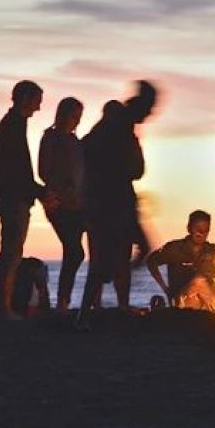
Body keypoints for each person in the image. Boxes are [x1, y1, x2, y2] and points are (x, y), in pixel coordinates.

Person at [77, 82, 158, 327]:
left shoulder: (108, 129)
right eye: (150, 109)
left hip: (111, 201)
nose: (151, 115)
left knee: (125, 252)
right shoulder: (120, 128)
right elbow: (135, 169)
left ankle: (103, 304)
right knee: (113, 256)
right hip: (111, 202)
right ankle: (87, 312)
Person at [0, 80, 52, 320]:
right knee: (12, 253)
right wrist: (40, 192)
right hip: (13, 198)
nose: (38, 108)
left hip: (12, 196)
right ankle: (3, 308)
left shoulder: (14, 124)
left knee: (10, 252)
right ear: (25, 98)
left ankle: (0, 304)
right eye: (37, 101)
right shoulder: (12, 126)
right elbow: (18, 170)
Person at [39, 96, 85, 312]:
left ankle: (65, 301)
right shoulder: (51, 138)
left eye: (78, 117)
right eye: (73, 116)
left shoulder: (76, 142)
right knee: (74, 251)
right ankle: (62, 302)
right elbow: (44, 171)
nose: (76, 121)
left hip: (78, 202)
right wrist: (61, 191)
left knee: (74, 251)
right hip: (59, 203)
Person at [145, 210, 215, 312]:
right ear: (189, 228)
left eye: (205, 230)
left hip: (209, 304)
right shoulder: (174, 248)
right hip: (183, 301)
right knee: (199, 282)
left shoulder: (213, 251)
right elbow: (151, 261)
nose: (201, 233)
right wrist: (165, 288)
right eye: (198, 229)